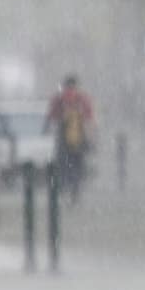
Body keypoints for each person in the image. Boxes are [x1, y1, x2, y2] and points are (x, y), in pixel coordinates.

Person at [45, 74, 96, 204]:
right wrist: (91, 139)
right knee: (78, 166)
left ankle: (64, 189)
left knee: (64, 166)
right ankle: (75, 191)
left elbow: (51, 117)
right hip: (80, 139)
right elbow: (89, 120)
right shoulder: (83, 99)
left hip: (63, 139)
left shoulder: (59, 99)